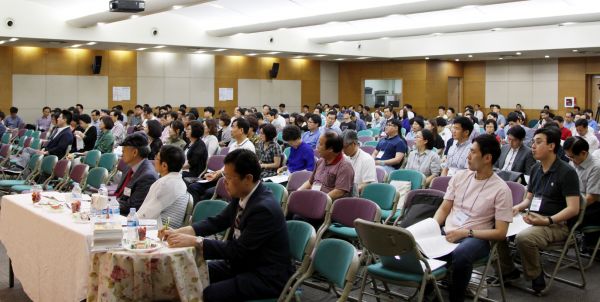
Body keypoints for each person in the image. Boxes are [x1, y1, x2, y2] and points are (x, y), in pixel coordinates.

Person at [163, 149, 292, 301]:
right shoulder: (244, 194)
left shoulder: (264, 209)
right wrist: (180, 232)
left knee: (210, 294)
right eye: (225, 176)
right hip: (242, 264)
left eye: (229, 177)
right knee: (187, 271)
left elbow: (238, 250)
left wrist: (196, 242)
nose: (224, 182)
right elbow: (218, 221)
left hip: (265, 274)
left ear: (248, 178)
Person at [433, 134, 513, 302]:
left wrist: (465, 233)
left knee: (461, 254)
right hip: (449, 230)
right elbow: (444, 208)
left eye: (473, 152)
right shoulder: (460, 177)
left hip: (476, 237)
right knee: (418, 241)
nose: (468, 156)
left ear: (487, 158)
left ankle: (456, 297)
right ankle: (428, 290)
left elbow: (500, 232)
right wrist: (431, 227)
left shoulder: (501, 189)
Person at [500, 127, 580, 293]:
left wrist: (547, 220)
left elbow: (573, 209)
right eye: (533, 142)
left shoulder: (567, 172)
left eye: (538, 142)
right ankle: (508, 271)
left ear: (551, 146)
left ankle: (536, 276)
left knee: (524, 238)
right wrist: (517, 207)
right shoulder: (536, 169)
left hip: (557, 224)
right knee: (495, 227)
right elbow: (529, 198)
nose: (533, 146)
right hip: (533, 216)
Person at [563, 137, 600, 253]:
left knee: (558, 215)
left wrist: (569, 207)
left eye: (572, 157)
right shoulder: (574, 161)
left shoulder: (596, 167)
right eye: (568, 157)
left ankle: (562, 238)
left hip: (593, 206)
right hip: (575, 200)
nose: (571, 160)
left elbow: (591, 198)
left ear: (584, 153)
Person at [137, 145, 188, 229]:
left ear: (164, 165)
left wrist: (129, 222)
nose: (154, 160)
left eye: (156, 158)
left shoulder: (164, 183)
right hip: (167, 228)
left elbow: (146, 215)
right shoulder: (180, 182)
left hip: (157, 230)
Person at [299, 132, 354, 201]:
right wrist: (298, 192)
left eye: (320, 144)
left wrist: (319, 201)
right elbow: (310, 182)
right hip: (313, 199)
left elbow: (339, 191)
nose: (317, 147)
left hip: (329, 206)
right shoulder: (320, 161)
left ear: (330, 149)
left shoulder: (345, 166)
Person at [115, 132, 159, 213]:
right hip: (119, 206)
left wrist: (108, 206)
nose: (122, 154)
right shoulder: (129, 166)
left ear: (134, 152)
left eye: (124, 151)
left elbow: (132, 207)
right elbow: (120, 195)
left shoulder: (148, 177)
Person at [341, 130, 376, 194]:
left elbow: (367, 184)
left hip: (363, 195)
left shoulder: (367, 159)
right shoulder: (344, 157)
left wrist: (347, 191)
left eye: (344, 147)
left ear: (354, 144)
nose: (342, 150)